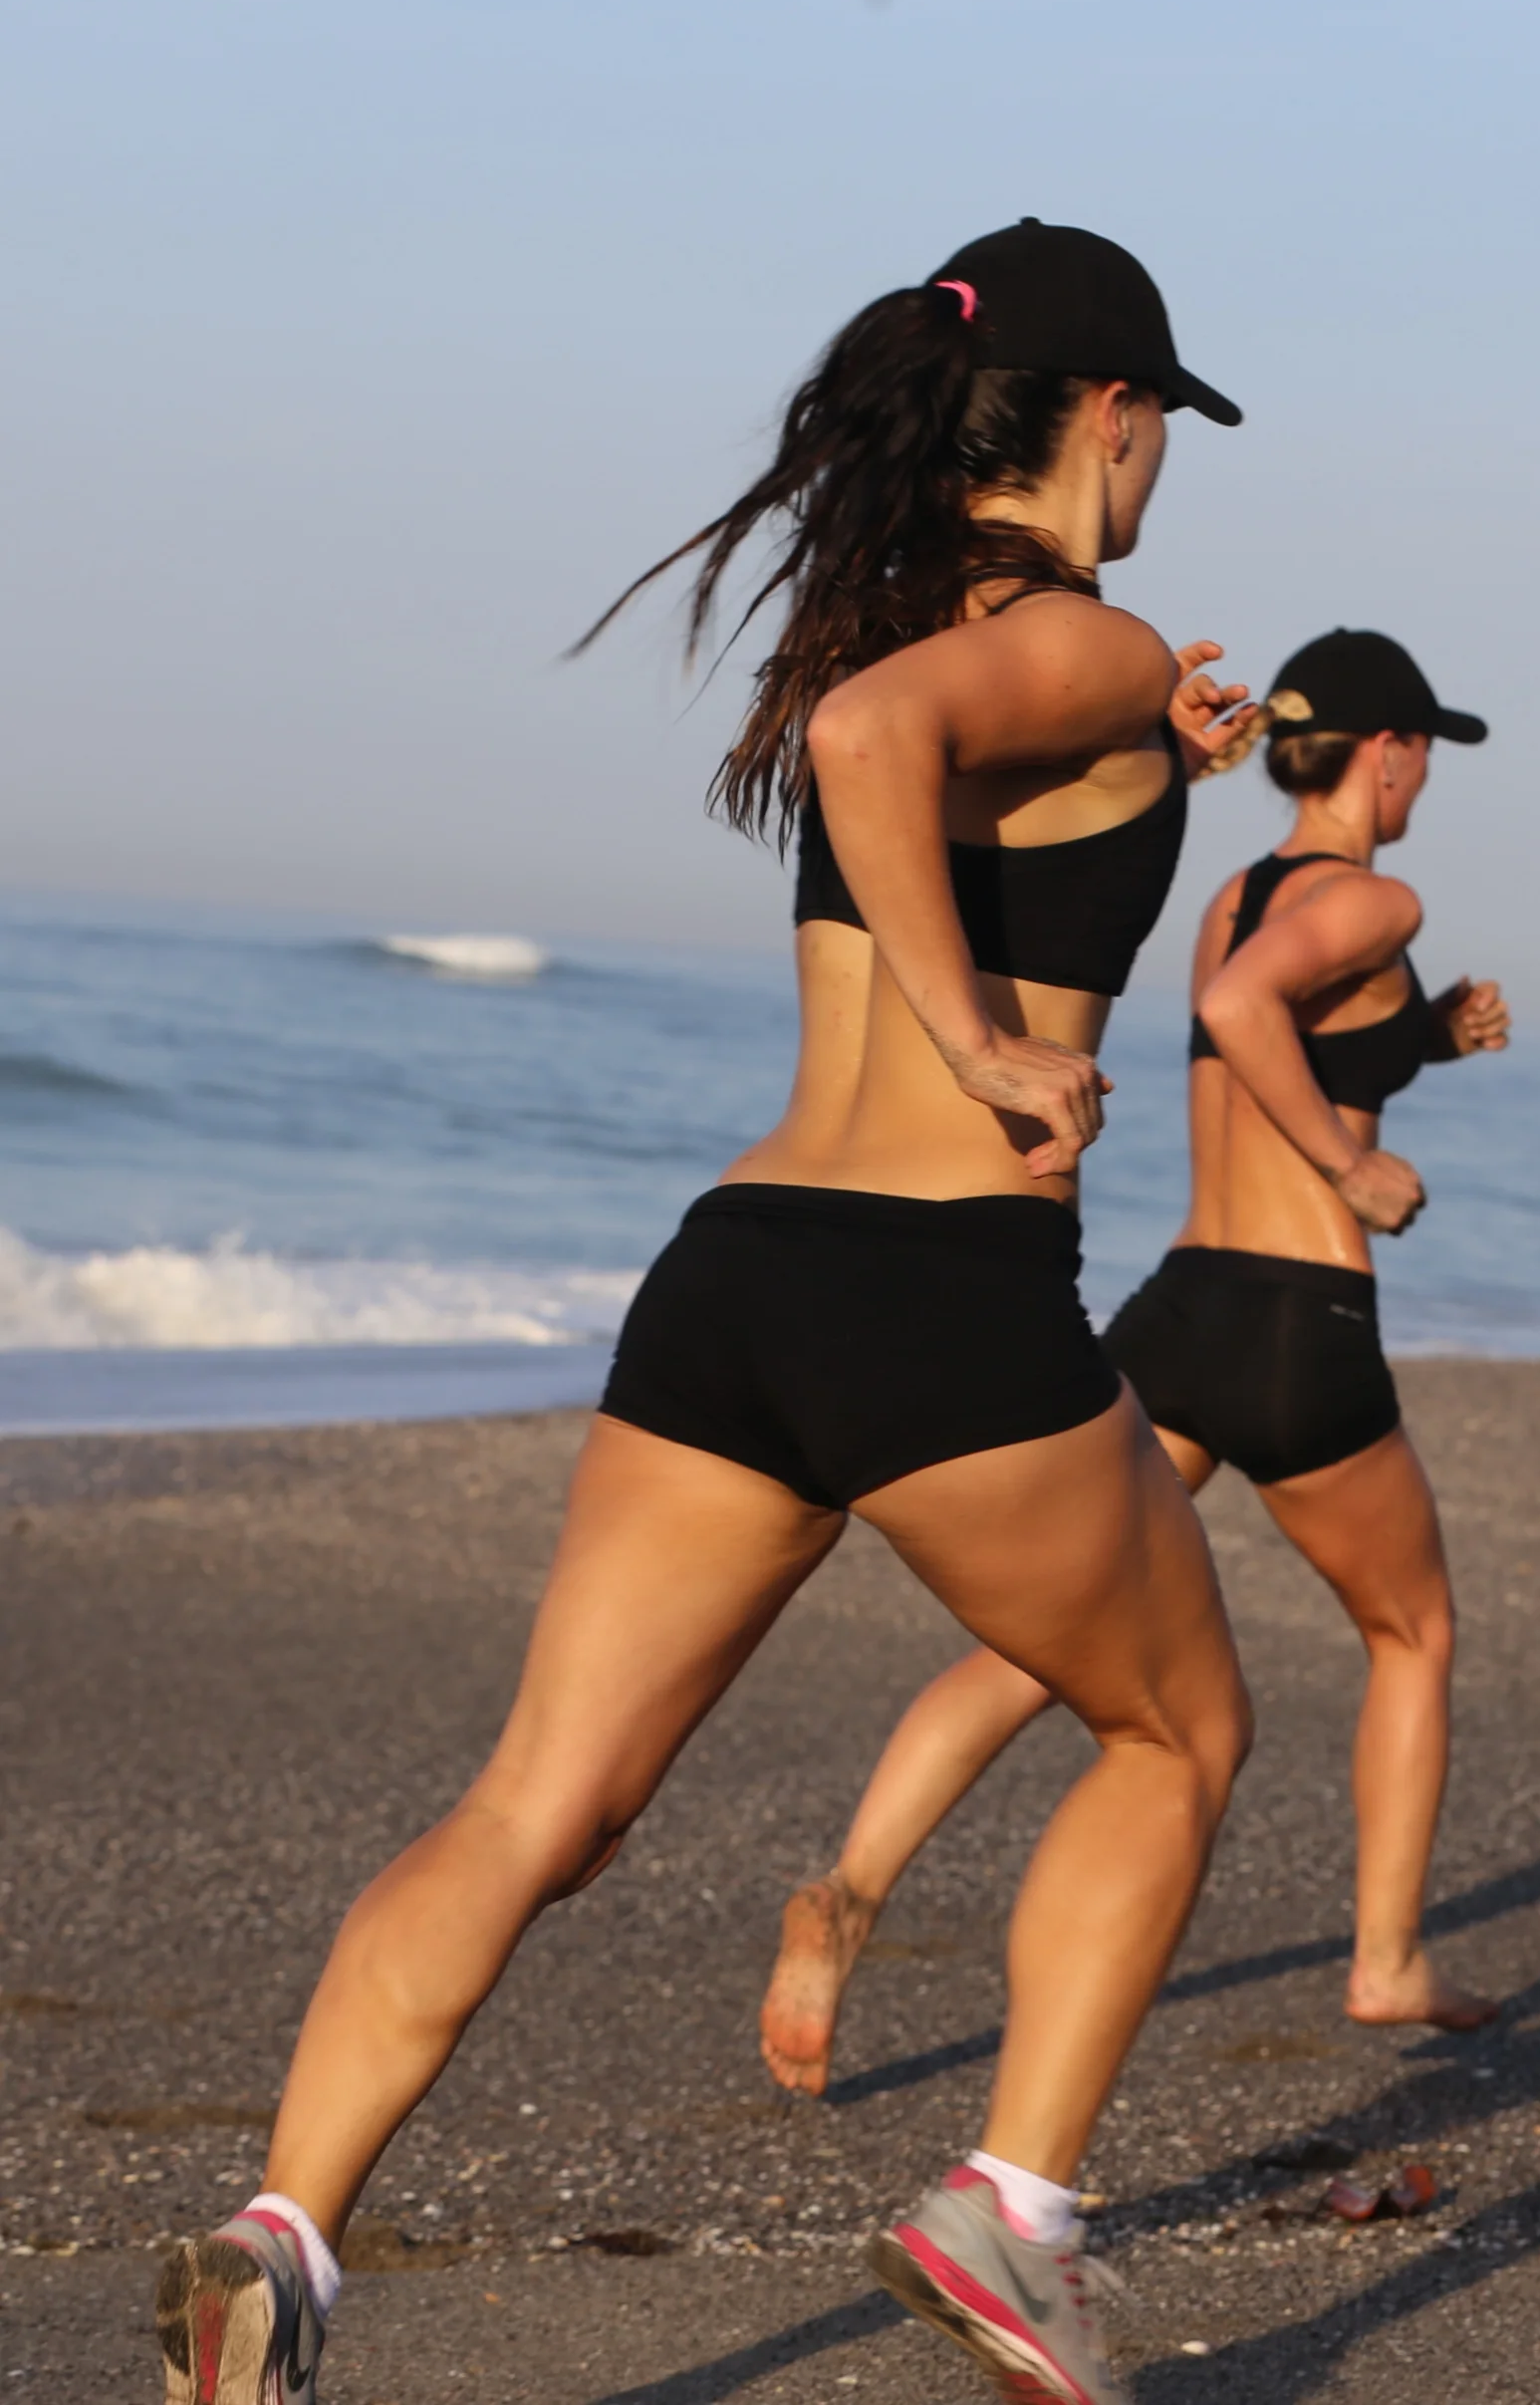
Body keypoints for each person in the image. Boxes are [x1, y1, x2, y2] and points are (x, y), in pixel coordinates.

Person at [154, 218, 1256, 2405]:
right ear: (1110, 418)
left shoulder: (921, 615)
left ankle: (275, 2248)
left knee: (534, 1805)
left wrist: (1154, 779)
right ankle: (1007, 2215)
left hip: (739, 1281)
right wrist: (987, 1041)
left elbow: (911, 750)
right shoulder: (1081, 643)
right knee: (1178, 1727)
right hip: (939, 1296)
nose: (1161, 477)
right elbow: (871, 745)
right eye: (1161, 435)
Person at [761, 628, 1511, 2106]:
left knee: (1043, 1642)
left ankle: (850, 1884)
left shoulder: (1240, 896)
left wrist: (1423, 1035)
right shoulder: (1382, 892)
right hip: (1302, 1325)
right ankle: (1388, 1960)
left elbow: (1268, 1023)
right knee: (1412, 1632)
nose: (1426, 775)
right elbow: (1252, 1029)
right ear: (1388, 748)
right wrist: (1354, 1180)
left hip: (1183, 1312)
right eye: (1425, 747)